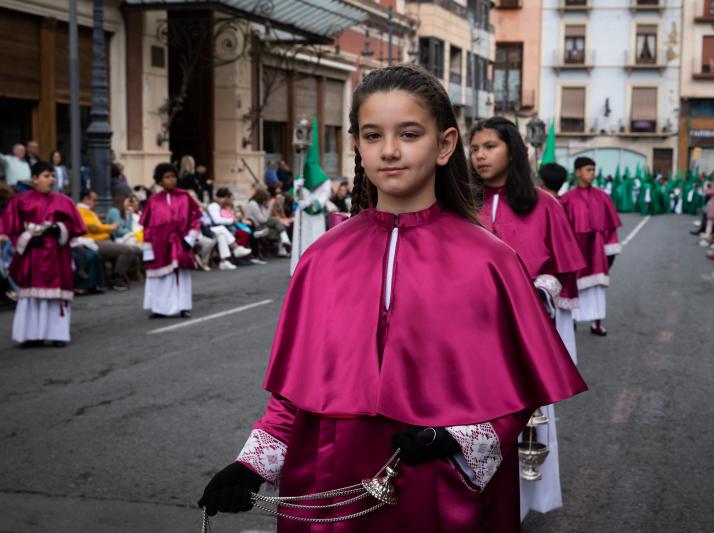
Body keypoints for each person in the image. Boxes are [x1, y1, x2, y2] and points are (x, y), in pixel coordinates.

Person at [198, 63, 586, 532]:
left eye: (408, 133)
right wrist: (253, 464)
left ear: (444, 145)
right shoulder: (322, 257)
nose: (390, 151)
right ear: (356, 145)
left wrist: (454, 439)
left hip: (438, 491)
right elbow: (294, 390)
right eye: (373, 135)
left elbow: (514, 397)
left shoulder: (491, 260)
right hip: (328, 486)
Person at [470, 119, 585, 518]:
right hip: (468, 333)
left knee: (520, 418)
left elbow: (564, 272)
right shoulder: (462, 205)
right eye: (475, 148)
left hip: (523, 331)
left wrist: (538, 290)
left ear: (513, 151)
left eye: (489, 146)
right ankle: (471, 500)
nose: (480, 155)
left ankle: (520, 504)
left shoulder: (544, 204)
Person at [0, 162, 86, 347]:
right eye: (47, 176)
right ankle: (31, 335)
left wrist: (59, 228)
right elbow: (12, 230)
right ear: (35, 179)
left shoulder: (64, 201)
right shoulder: (20, 201)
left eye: (53, 175)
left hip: (57, 254)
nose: (52, 179)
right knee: (32, 297)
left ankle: (57, 334)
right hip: (33, 255)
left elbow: (73, 227)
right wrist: (28, 239)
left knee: (56, 297)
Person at [560, 156, 622, 336]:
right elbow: (562, 231)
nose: (592, 174)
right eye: (588, 170)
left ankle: (597, 324)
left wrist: (610, 253)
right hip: (576, 253)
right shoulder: (567, 199)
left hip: (596, 253)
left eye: (594, 170)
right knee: (573, 288)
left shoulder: (603, 197)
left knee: (597, 291)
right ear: (578, 172)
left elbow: (610, 229)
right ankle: (570, 321)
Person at [140, 163, 202, 318]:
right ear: (160, 181)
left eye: (173, 176)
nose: (171, 180)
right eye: (167, 177)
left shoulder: (184, 197)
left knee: (180, 275)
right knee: (160, 277)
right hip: (159, 244)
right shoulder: (153, 201)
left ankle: (183, 306)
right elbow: (147, 226)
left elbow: (195, 218)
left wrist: (191, 237)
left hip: (180, 242)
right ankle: (159, 308)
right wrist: (148, 249)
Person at [290, 118, 331, 275]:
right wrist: (298, 190)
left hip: (314, 214)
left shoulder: (324, 180)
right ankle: (298, 266)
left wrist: (310, 204)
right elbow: (295, 195)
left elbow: (324, 197)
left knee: (315, 239)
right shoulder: (300, 176)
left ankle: (314, 267)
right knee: (301, 239)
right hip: (301, 213)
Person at [77, 190, 141, 291]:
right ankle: (117, 277)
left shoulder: (89, 211)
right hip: (95, 241)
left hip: (104, 239)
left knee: (133, 249)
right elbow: (93, 228)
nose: (96, 202)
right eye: (94, 200)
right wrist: (110, 227)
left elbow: (99, 227)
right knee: (128, 250)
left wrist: (128, 216)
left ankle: (116, 277)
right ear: (86, 199)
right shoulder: (80, 210)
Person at [244, 187, 291, 258]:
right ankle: (285, 242)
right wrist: (269, 206)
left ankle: (284, 246)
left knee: (279, 225)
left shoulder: (259, 204)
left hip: (262, 225)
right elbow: (263, 219)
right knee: (277, 222)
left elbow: (265, 218)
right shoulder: (253, 204)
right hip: (257, 227)